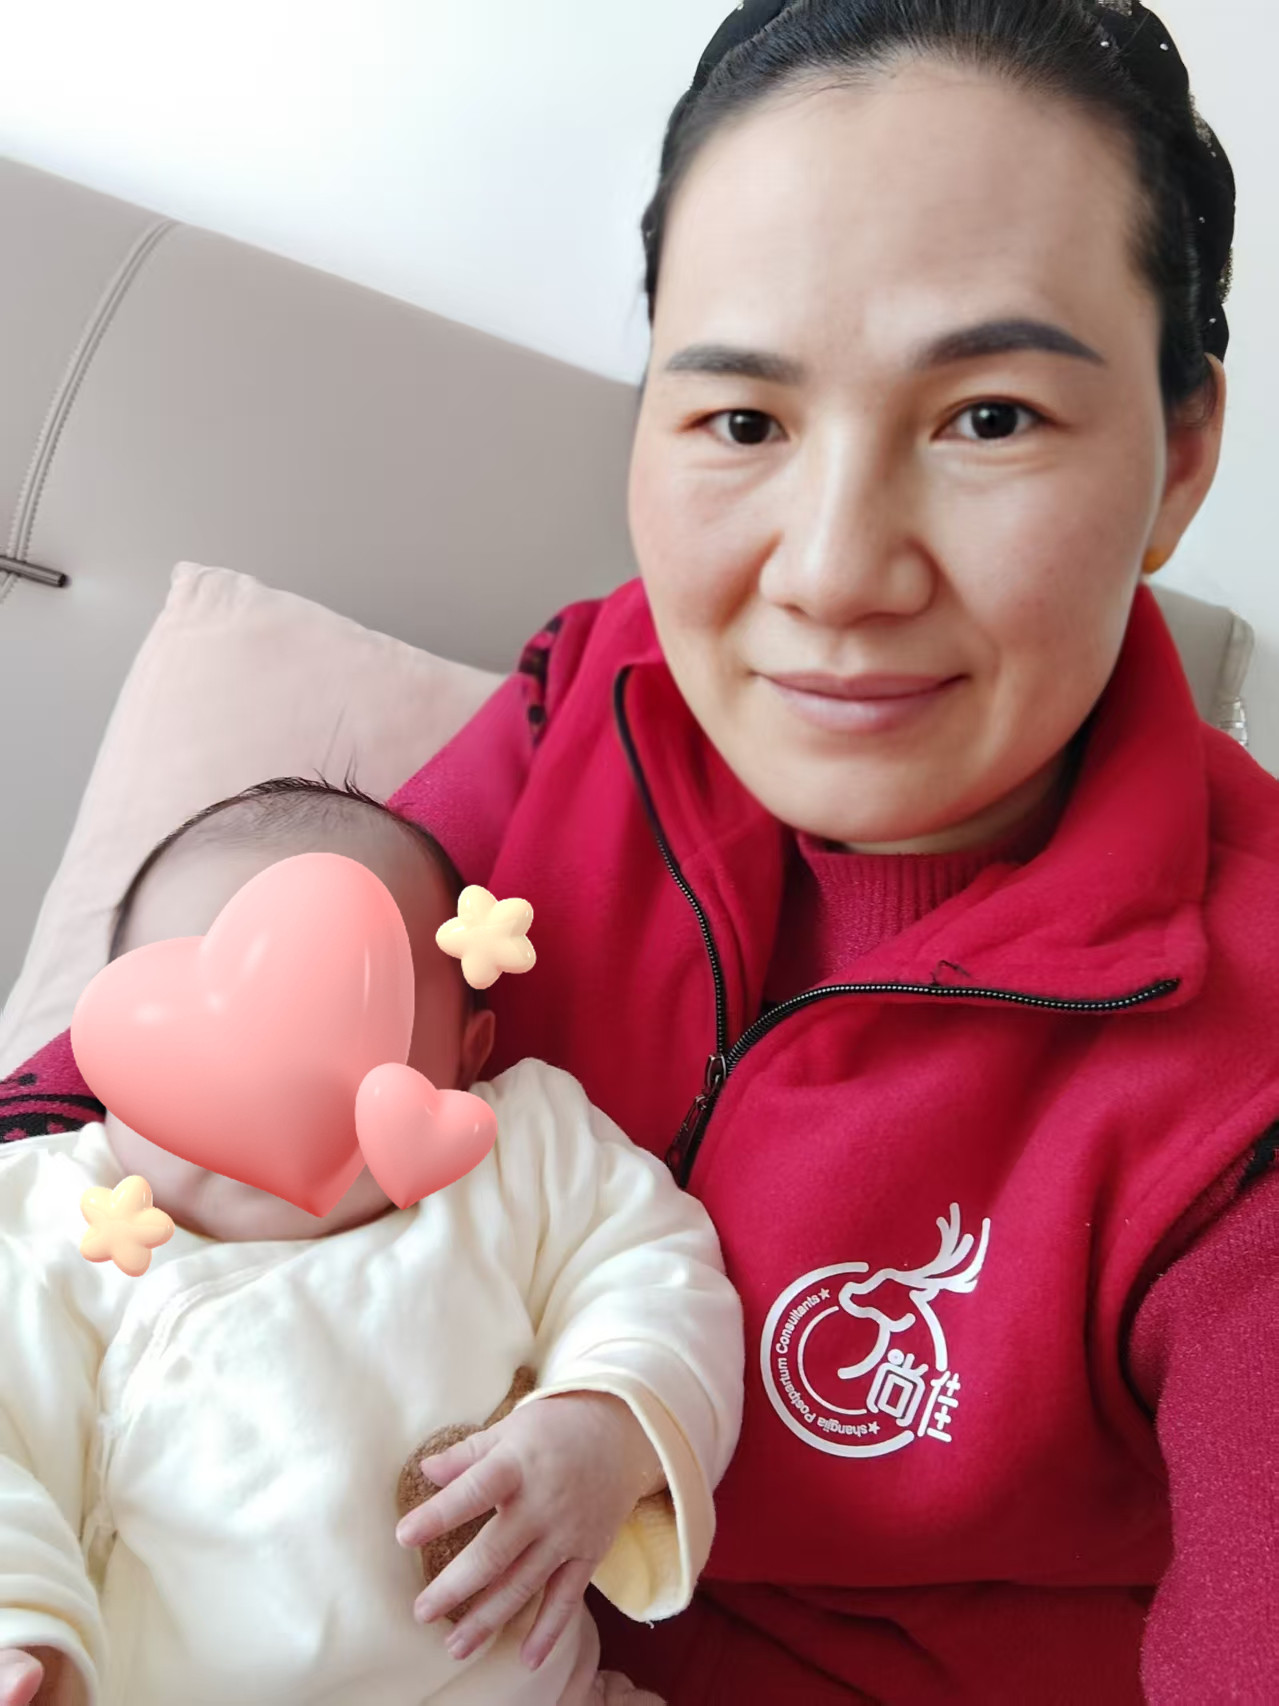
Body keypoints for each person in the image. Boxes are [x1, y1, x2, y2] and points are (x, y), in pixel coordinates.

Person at [3, 0, 1276, 1699]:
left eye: (988, 417)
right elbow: (145, 1088)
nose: (831, 572)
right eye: (741, 420)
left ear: (1176, 456)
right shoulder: (591, 699)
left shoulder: (1243, 1083)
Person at [0, 780, 741, 1706]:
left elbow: (652, 1268)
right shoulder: (50, 1217)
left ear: (466, 1055)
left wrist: (608, 1429)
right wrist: (27, 1632)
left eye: (334, 1031)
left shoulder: (519, 1157)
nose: (260, 1095)